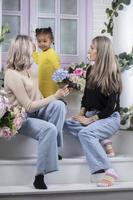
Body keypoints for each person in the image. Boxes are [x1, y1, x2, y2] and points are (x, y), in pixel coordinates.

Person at [4, 35, 69, 190]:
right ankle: (39, 176)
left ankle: (54, 149)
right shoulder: (11, 74)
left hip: (35, 111)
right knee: (49, 129)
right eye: (32, 49)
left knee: (59, 106)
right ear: (23, 51)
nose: (35, 51)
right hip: (21, 118)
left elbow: (38, 97)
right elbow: (28, 106)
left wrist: (58, 96)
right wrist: (54, 96)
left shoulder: (30, 71)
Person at [64, 36, 122, 187]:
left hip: (109, 118)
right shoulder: (90, 70)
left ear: (101, 52)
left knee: (85, 133)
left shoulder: (113, 73)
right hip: (91, 115)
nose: (89, 50)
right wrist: (81, 114)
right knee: (66, 124)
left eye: (92, 48)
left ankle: (108, 170)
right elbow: (86, 97)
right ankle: (103, 141)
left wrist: (90, 121)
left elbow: (110, 108)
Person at [32, 27, 60, 97]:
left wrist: (62, 81)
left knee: (50, 100)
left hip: (50, 85)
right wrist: (34, 52)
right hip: (42, 82)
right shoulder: (42, 53)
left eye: (44, 41)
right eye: (39, 41)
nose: (41, 44)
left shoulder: (52, 54)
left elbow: (57, 67)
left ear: (51, 40)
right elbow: (38, 61)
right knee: (43, 99)